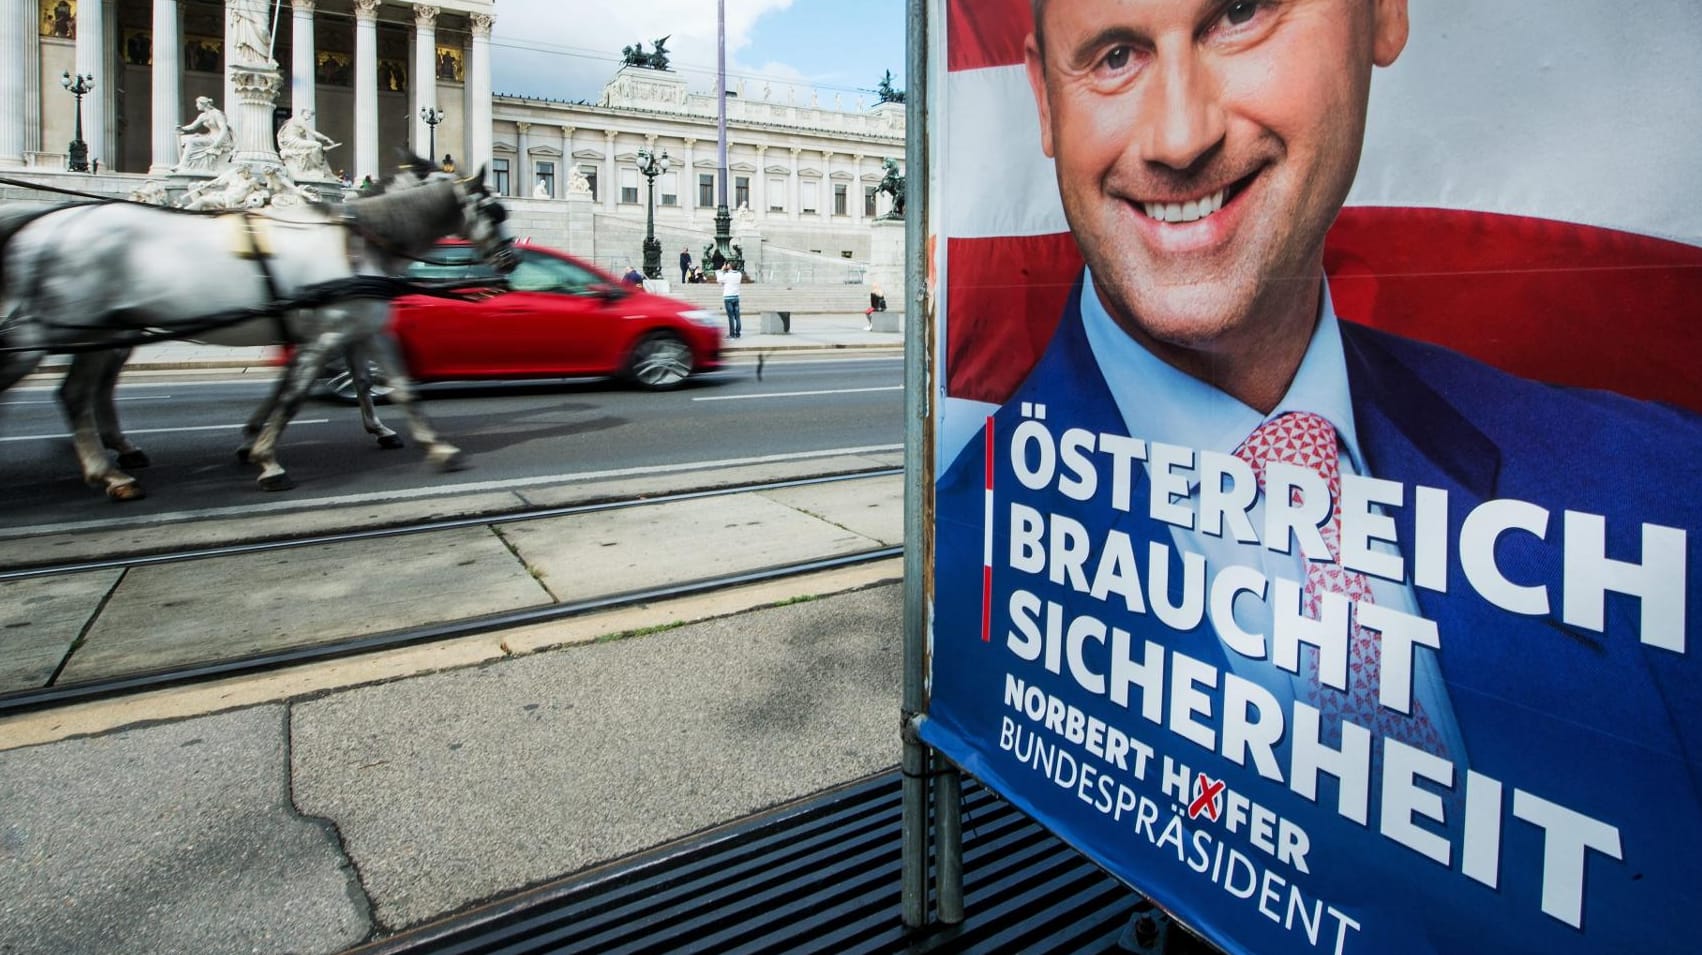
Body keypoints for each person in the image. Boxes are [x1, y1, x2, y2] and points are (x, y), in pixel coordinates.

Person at [931, 1, 1702, 948]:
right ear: (1046, 106)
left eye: (1242, 13)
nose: (1180, 137)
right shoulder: (962, 550)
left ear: (1382, 15)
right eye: (1116, 55)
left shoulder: (1659, 489)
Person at [276, 108, 339, 181]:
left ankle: (327, 172)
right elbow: (312, 132)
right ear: (303, 113)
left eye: (311, 115)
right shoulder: (299, 120)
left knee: (318, 149)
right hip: (293, 141)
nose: (309, 116)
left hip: (295, 141)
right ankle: (320, 169)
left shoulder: (296, 121)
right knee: (317, 145)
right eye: (308, 114)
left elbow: (304, 139)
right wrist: (327, 139)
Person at [174, 97, 233, 172]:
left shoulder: (216, 113)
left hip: (218, 139)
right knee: (186, 138)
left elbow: (224, 129)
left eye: (197, 103)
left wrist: (217, 143)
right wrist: (182, 128)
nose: (196, 105)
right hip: (209, 137)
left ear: (203, 104)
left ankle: (183, 165)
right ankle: (186, 164)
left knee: (192, 142)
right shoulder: (203, 116)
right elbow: (192, 126)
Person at [718, 262, 742, 337]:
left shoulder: (727, 275)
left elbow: (719, 280)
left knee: (731, 316)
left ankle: (732, 334)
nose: (727, 265)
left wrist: (722, 269)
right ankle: (737, 332)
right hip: (736, 297)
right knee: (737, 316)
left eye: (728, 265)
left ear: (730, 267)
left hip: (728, 297)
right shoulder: (739, 274)